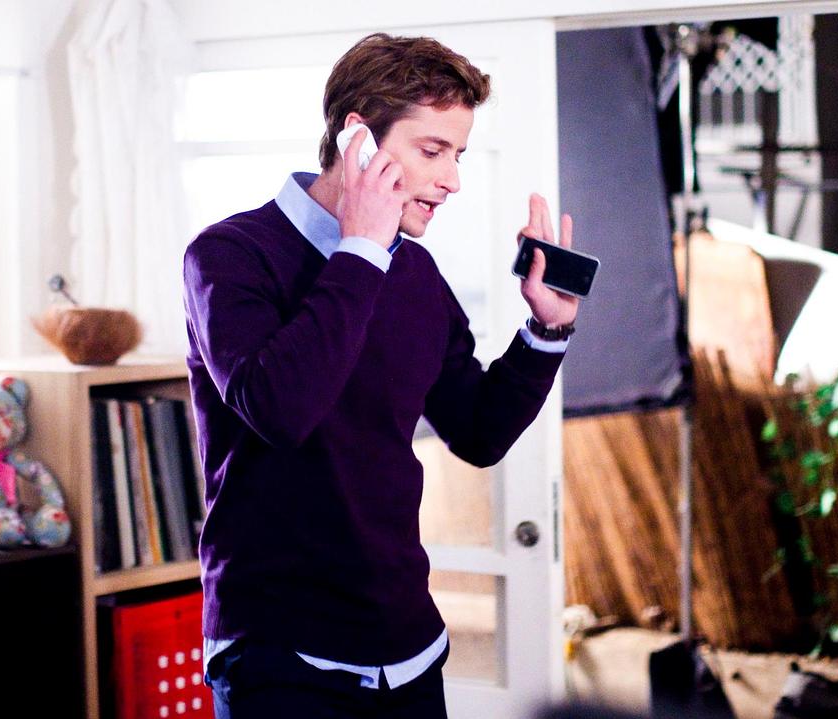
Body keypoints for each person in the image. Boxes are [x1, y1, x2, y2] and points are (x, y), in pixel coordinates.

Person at [183, 32, 579, 718]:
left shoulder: (415, 272)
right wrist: (361, 249)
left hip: (408, 649)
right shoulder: (229, 255)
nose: (452, 180)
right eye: (433, 151)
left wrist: (546, 329)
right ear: (358, 141)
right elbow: (280, 409)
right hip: (280, 653)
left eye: (457, 155)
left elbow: (478, 430)